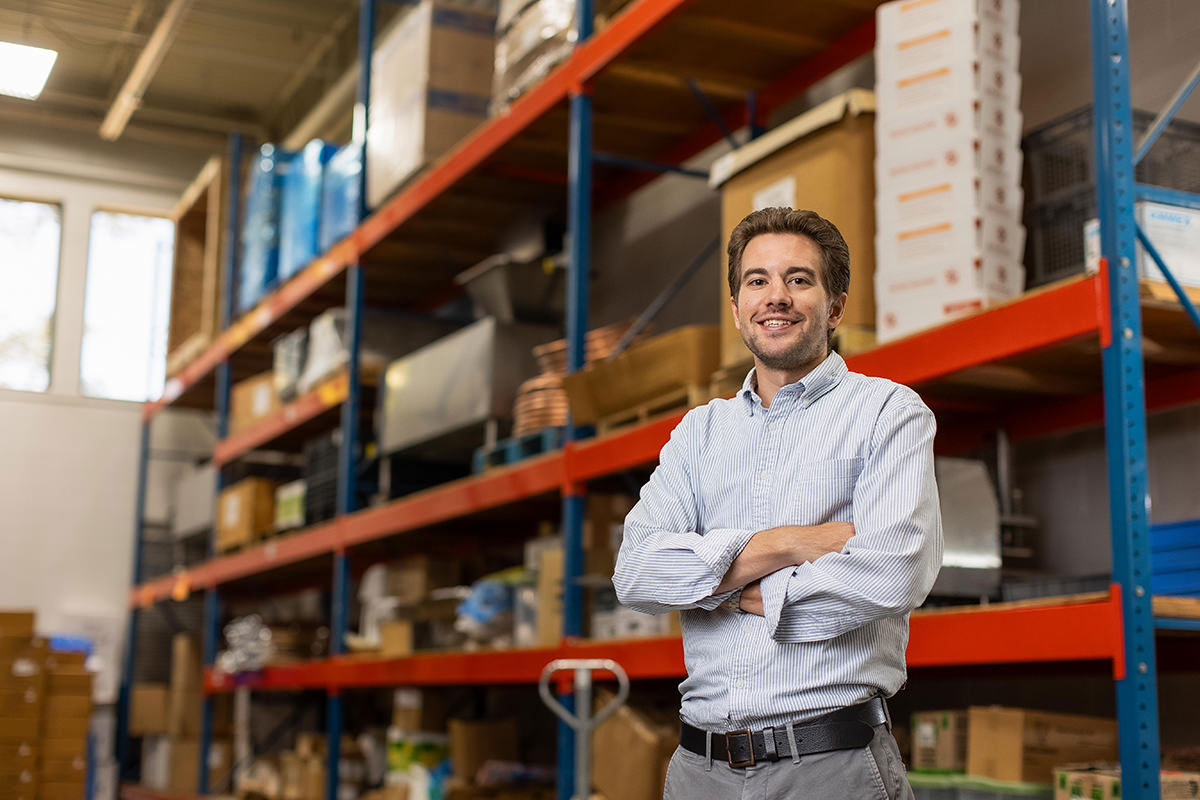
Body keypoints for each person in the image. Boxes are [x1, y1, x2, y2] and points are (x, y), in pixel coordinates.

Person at [613, 207, 943, 799]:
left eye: (799, 279)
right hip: (699, 771)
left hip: (830, 766)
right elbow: (636, 570)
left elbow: (894, 572)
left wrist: (720, 587)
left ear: (835, 306)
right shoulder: (699, 433)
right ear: (738, 307)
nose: (776, 297)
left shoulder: (887, 413)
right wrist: (789, 544)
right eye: (757, 281)